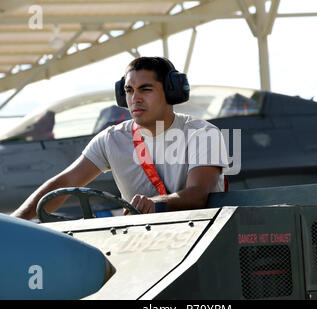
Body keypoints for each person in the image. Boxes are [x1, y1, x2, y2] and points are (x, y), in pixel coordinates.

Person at [11, 56, 228, 220]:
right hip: (146, 243)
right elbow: (65, 183)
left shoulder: (202, 134)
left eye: (146, 89)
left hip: (203, 240)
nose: (135, 98)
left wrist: (155, 204)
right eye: (129, 90)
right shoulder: (111, 140)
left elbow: (199, 194)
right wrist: (15, 223)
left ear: (171, 92)